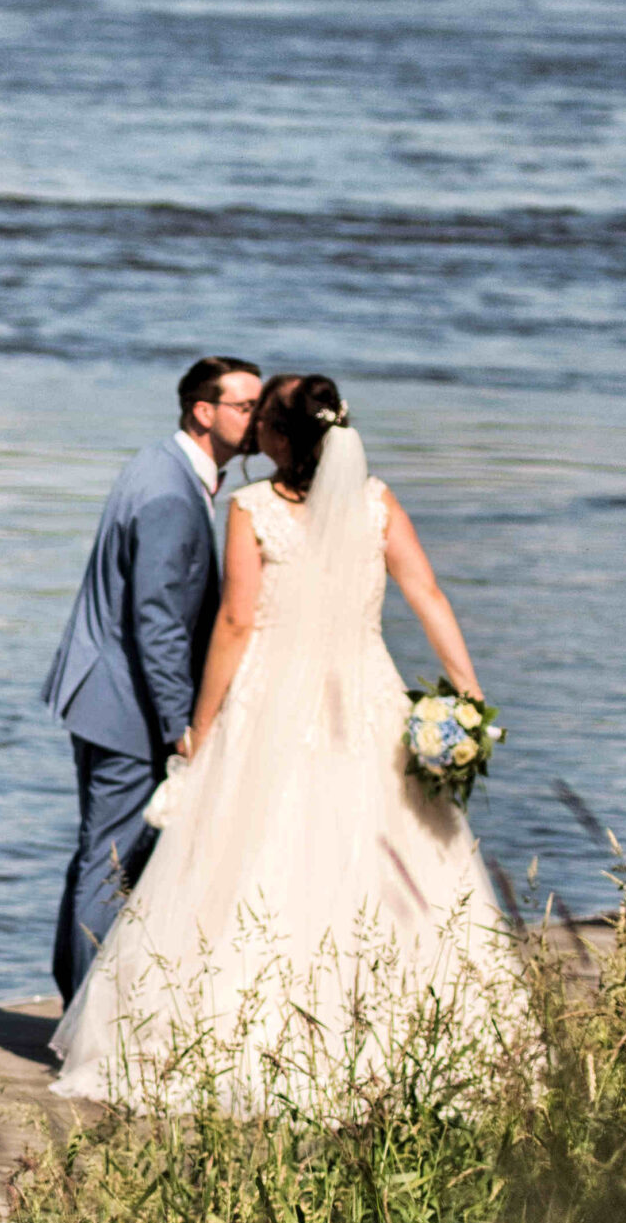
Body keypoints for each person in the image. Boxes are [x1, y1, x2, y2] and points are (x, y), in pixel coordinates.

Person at [50, 375, 518, 1108]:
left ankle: (239, 1041)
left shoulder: (252, 508)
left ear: (273, 435)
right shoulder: (378, 503)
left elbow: (236, 624)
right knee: (381, 858)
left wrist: (201, 727)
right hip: (365, 695)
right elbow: (428, 593)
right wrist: (471, 695)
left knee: (252, 862)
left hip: (270, 704)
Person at [40, 357, 263, 999]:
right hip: (126, 705)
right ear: (204, 411)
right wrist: (181, 727)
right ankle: (84, 1015)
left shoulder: (157, 465)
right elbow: (158, 618)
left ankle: (77, 999)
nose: (256, 420)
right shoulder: (170, 493)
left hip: (103, 691)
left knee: (98, 856)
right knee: (112, 863)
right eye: (244, 407)